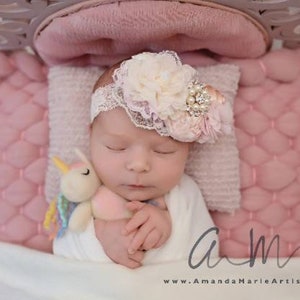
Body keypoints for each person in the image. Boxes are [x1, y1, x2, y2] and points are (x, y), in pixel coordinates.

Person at [54, 51, 233, 268]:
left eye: (163, 151)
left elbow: (207, 256)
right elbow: (62, 252)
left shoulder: (184, 194)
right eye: (116, 147)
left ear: (188, 148)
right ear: (91, 136)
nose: (139, 165)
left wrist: (167, 229)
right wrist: (99, 236)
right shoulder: (83, 187)